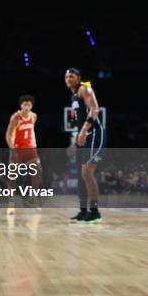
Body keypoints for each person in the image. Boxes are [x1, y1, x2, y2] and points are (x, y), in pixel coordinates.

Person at [65, 68, 105, 223]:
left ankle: (95, 212)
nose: (68, 78)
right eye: (66, 76)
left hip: (94, 134)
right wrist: (75, 140)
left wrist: (83, 131)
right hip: (83, 136)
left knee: (87, 172)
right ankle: (83, 211)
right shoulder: (74, 95)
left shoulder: (84, 88)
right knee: (81, 176)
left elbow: (95, 109)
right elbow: (77, 120)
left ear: (79, 78)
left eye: (72, 76)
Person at [5, 95, 42, 210]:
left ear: (31, 106)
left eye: (29, 104)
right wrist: (12, 148)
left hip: (30, 147)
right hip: (17, 148)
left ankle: (33, 198)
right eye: (24, 104)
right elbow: (8, 135)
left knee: (38, 171)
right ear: (21, 105)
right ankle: (11, 200)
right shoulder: (16, 117)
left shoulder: (34, 116)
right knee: (12, 175)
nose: (26, 106)